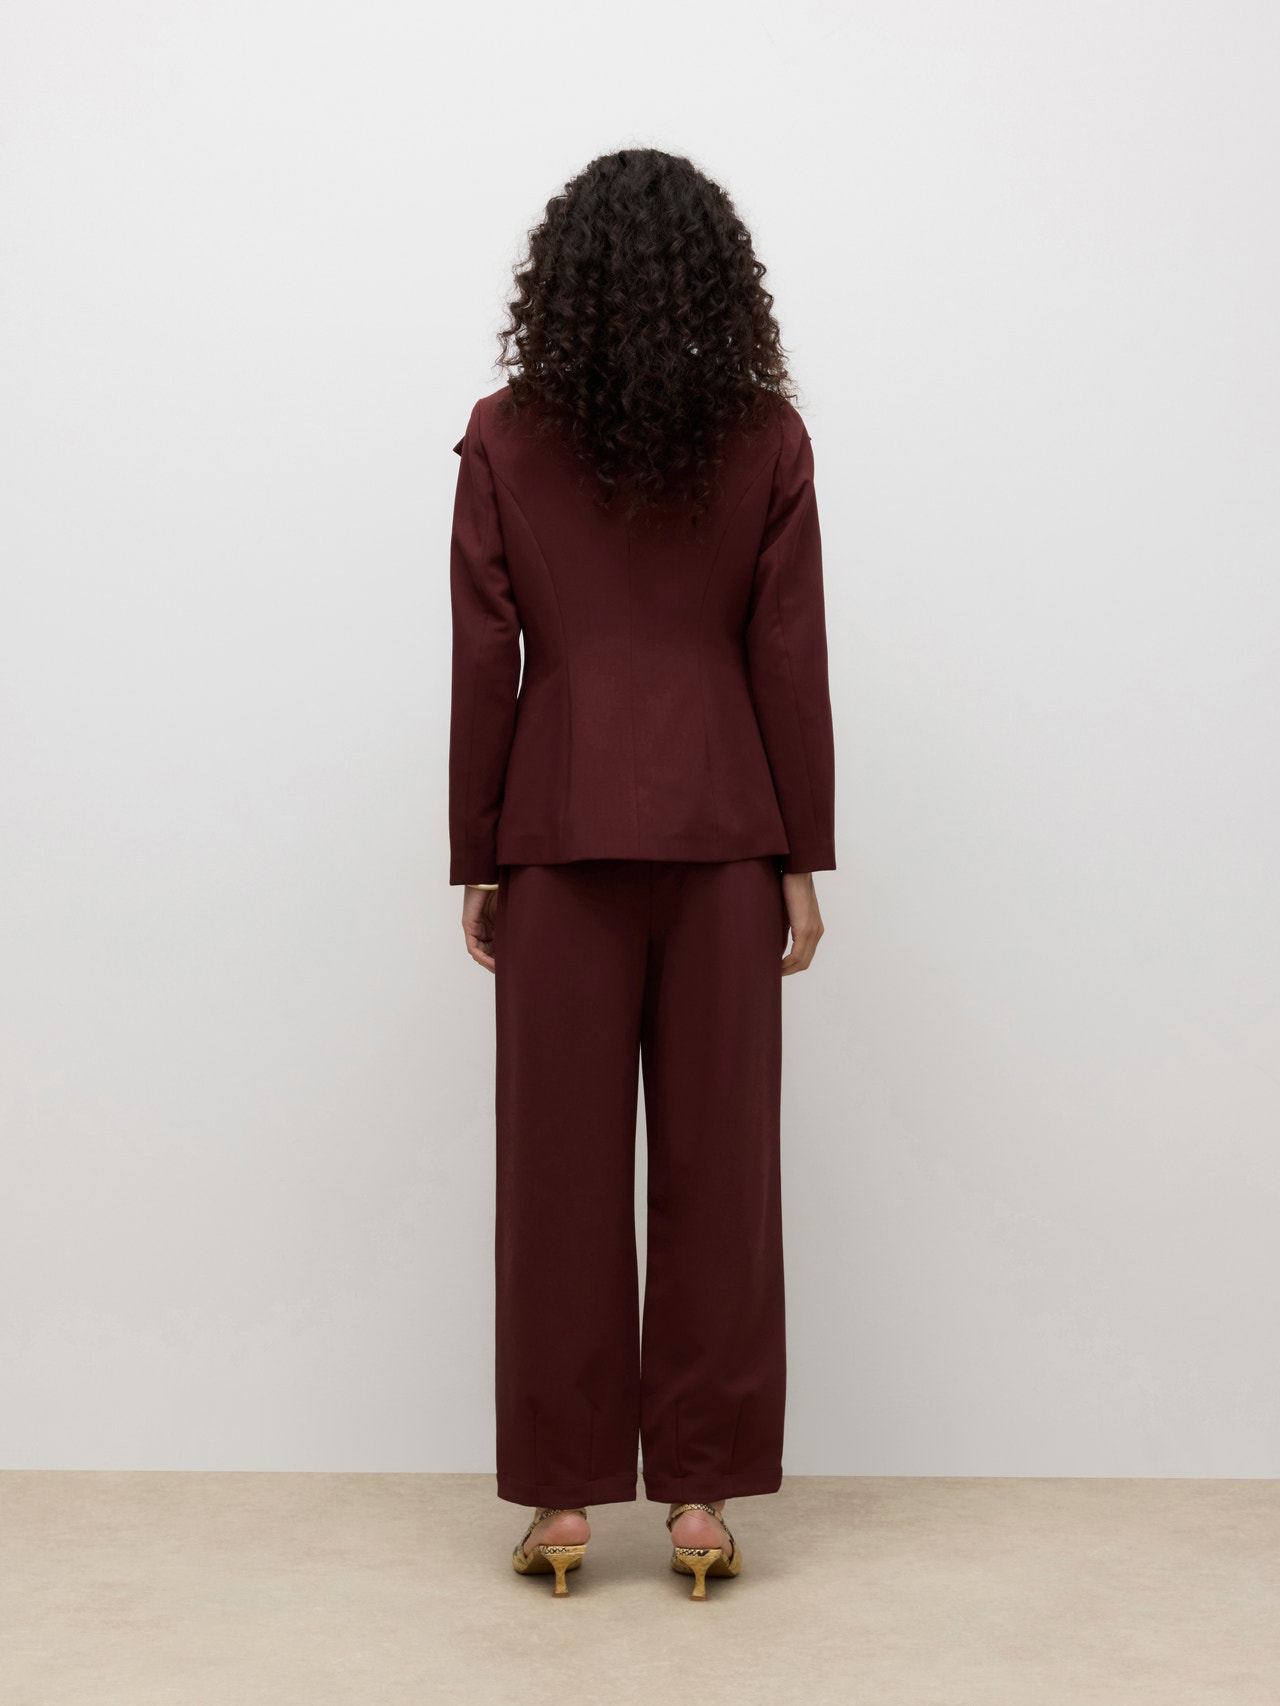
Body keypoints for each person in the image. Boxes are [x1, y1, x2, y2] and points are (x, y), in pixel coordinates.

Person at [447, 147, 836, 1600]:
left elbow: (488, 656)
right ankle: (701, 1505)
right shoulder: (766, 436)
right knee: (722, 1174)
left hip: (554, 832)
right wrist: (802, 856)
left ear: (560, 278)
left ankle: (561, 1506)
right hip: (729, 831)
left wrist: (477, 851)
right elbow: (786, 654)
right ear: (719, 279)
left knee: (554, 1173)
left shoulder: (505, 433)